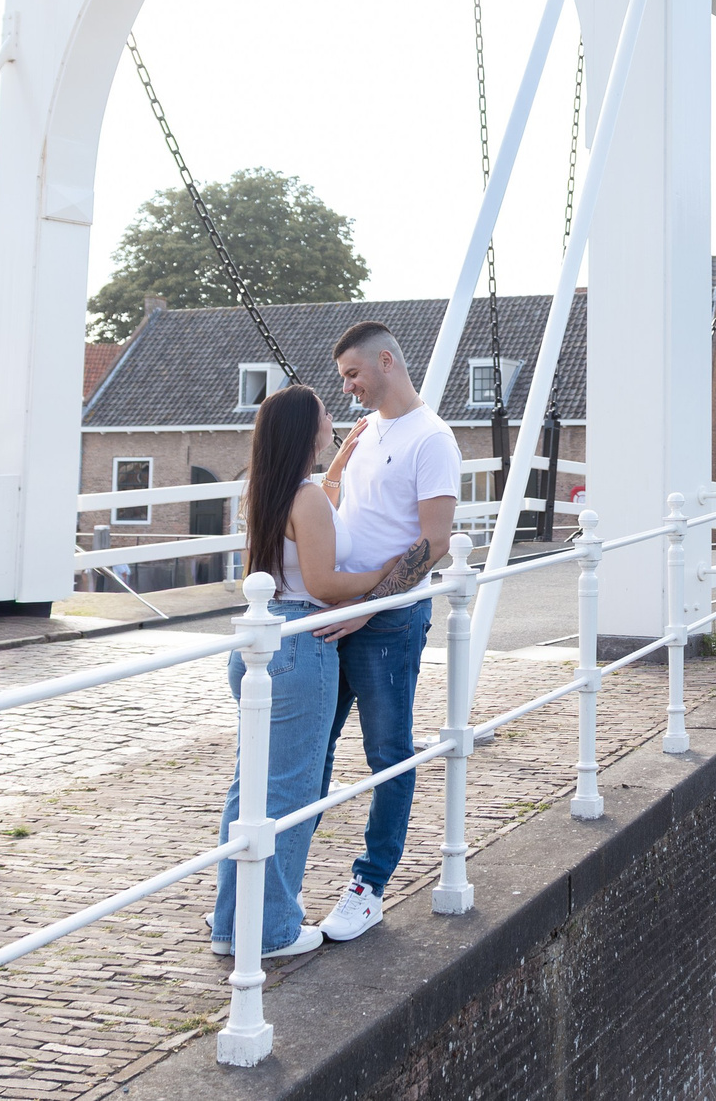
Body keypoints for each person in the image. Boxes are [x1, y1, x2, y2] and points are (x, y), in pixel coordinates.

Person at [208, 383, 406, 961]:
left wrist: (341, 460)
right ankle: (271, 932)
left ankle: (234, 926)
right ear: (307, 430)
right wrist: (386, 579)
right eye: (325, 415)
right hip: (302, 643)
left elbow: (322, 502)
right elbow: (322, 584)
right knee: (291, 793)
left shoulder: (266, 491)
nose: (333, 420)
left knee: (250, 791)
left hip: (255, 644)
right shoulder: (308, 499)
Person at [310, 321, 455, 943]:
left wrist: (369, 607)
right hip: (335, 609)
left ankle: (369, 886)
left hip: (388, 622)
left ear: (387, 361)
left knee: (388, 753)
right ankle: (278, 880)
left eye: (353, 375)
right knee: (311, 748)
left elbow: (436, 543)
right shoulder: (368, 430)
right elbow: (333, 496)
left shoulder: (433, 439)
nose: (348, 390)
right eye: (343, 378)